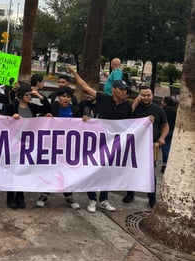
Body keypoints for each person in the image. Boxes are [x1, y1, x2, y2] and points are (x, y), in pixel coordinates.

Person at [66, 65, 132, 213]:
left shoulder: (127, 107)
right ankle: (92, 199)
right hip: (98, 142)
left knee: (108, 172)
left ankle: (104, 199)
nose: (124, 93)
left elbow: (130, 125)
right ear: (114, 90)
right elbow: (85, 86)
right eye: (122, 90)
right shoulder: (103, 99)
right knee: (94, 170)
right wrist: (74, 72)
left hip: (114, 144)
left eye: (126, 90)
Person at [3, 83, 52, 209]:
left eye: (30, 95)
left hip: (27, 144)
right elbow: (2, 119)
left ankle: (20, 196)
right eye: (27, 95)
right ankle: (10, 197)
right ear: (20, 96)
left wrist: (39, 96)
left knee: (22, 170)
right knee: (13, 170)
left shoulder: (32, 107)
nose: (29, 97)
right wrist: (11, 118)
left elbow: (47, 108)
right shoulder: (12, 106)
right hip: (13, 142)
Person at [122, 86, 169, 208]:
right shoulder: (133, 108)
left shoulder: (158, 110)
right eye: (143, 95)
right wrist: (135, 103)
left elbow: (165, 126)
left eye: (148, 95)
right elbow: (125, 120)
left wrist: (162, 138)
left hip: (151, 147)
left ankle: (152, 198)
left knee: (150, 173)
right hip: (135, 145)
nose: (146, 97)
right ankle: (130, 194)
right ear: (139, 95)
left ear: (152, 95)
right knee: (131, 170)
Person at [36, 86, 81, 210]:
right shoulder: (53, 107)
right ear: (59, 97)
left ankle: (69, 196)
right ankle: (44, 195)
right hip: (53, 146)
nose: (66, 99)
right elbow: (40, 115)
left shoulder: (75, 110)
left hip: (69, 147)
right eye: (63, 96)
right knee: (50, 171)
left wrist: (85, 121)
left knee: (68, 172)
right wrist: (45, 116)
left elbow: (82, 126)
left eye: (68, 97)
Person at [160, 96, 177, 173]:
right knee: (167, 148)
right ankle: (166, 164)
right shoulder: (175, 111)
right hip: (172, 131)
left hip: (163, 131)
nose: (161, 102)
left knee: (161, 148)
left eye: (162, 101)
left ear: (165, 103)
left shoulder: (162, 111)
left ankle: (163, 164)